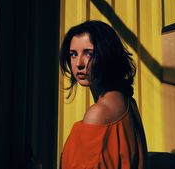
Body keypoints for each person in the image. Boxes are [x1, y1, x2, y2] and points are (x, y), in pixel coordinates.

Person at [59, 20, 148, 169]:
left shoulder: (98, 114)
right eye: (73, 54)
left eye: (88, 53)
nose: (79, 63)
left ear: (107, 54)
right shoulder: (126, 100)